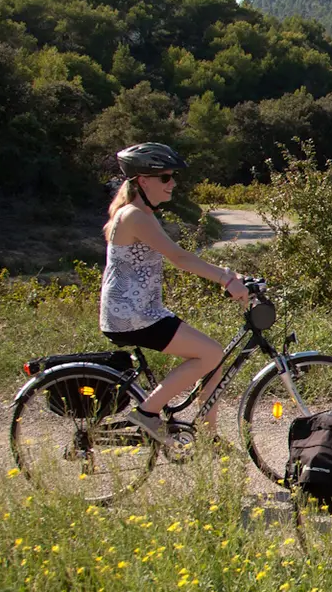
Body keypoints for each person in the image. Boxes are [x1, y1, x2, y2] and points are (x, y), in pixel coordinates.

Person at [100, 142, 252, 442]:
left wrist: (230, 275)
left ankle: (208, 437)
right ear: (143, 180)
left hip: (141, 311)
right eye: (166, 177)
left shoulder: (139, 213)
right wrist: (224, 280)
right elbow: (178, 257)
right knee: (210, 353)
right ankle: (146, 412)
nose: (173, 184)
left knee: (212, 356)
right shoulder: (134, 216)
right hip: (132, 315)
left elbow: (183, 256)